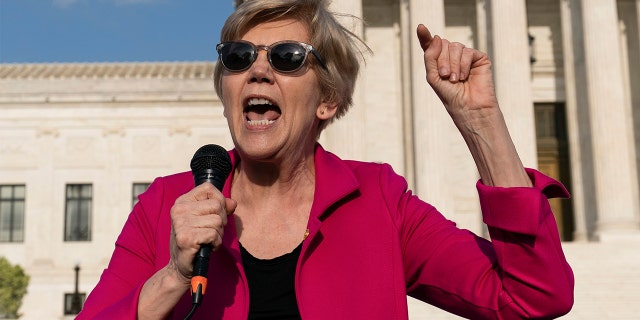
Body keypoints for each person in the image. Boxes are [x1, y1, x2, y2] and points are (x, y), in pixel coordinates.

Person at [77, 0, 574, 319]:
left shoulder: (380, 201)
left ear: (328, 100)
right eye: (238, 57)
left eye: (288, 57)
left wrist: (481, 121)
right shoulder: (168, 203)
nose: (259, 71)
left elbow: (532, 297)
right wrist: (173, 278)